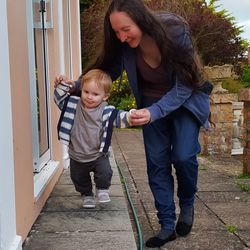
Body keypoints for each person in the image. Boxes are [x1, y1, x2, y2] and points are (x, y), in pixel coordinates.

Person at [54, 0, 213, 247]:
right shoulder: (123, 44)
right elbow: (107, 70)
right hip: (150, 102)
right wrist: (74, 86)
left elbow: (184, 83)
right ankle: (167, 225)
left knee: (183, 156)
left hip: (184, 101)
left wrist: (154, 111)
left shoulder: (174, 30)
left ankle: (187, 202)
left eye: (125, 29)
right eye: (116, 32)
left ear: (141, 19)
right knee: (157, 163)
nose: (121, 37)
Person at [54, 69, 132, 209]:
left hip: (98, 154)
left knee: (105, 172)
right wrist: (63, 84)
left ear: (105, 97)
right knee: (78, 178)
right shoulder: (73, 105)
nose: (89, 97)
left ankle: (102, 189)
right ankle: (86, 195)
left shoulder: (106, 111)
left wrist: (132, 116)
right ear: (81, 90)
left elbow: (120, 117)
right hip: (77, 154)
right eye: (86, 92)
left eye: (95, 94)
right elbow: (59, 98)